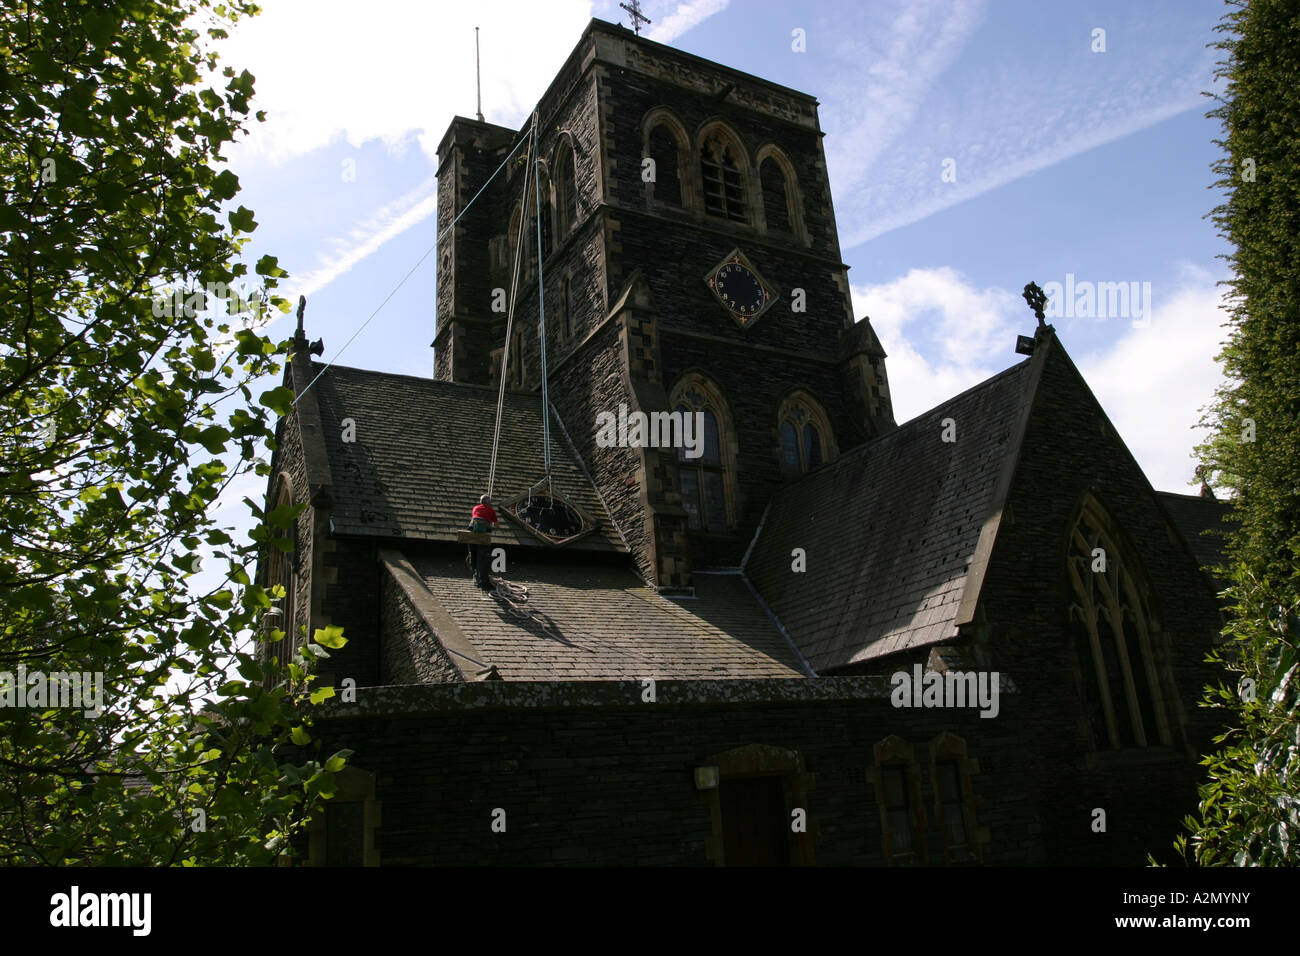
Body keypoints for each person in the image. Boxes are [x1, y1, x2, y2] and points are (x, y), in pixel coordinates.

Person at [467, 494, 499, 590]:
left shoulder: (475, 507)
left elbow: (476, 516)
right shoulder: (491, 510)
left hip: (472, 532)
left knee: (473, 553)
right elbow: (496, 524)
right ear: (489, 503)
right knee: (483, 556)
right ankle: (482, 579)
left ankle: (475, 572)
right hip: (484, 535)